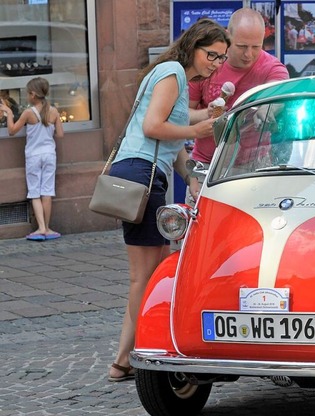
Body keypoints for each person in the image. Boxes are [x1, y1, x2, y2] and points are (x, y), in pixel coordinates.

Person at [106, 18, 230, 382]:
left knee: (155, 268)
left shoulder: (175, 77)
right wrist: (196, 129)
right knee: (142, 277)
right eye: (212, 55)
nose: (216, 63)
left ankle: (123, 359)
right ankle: (132, 354)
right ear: (193, 46)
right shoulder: (172, 72)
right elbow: (152, 128)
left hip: (143, 173)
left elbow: (169, 141)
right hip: (141, 176)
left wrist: (190, 176)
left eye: (221, 59)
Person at [187, 7, 289, 204]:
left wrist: (266, 109)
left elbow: (277, 95)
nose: (248, 55)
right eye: (241, 46)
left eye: (256, 47)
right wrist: (205, 114)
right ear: (227, 36)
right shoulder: (207, 65)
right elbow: (184, 114)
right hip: (207, 164)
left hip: (254, 165)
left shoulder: (272, 67)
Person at [0, 77, 64, 241]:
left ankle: (41, 228)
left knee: (35, 192)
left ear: (33, 95)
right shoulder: (54, 111)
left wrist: (8, 113)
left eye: (28, 93)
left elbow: (12, 131)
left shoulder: (28, 113)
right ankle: (48, 228)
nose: (27, 96)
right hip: (50, 154)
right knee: (47, 192)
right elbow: (60, 134)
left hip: (34, 156)